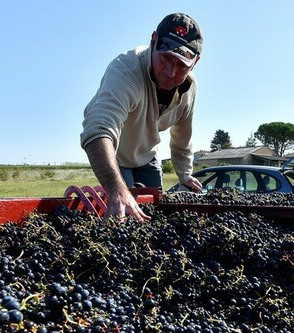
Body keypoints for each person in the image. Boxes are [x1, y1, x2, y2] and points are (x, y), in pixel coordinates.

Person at [80, 13, 205, 221]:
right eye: (166, 58)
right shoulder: (126, 71)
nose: (171, 72)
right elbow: (98, 129)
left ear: (195, 62)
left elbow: (183, 135)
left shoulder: (189, 89)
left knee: (153, 213)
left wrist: (185, 174)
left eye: (182, 64)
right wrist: (117, 191)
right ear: (153, 41)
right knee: (125, 213)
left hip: (148, 155)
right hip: (117, 156)